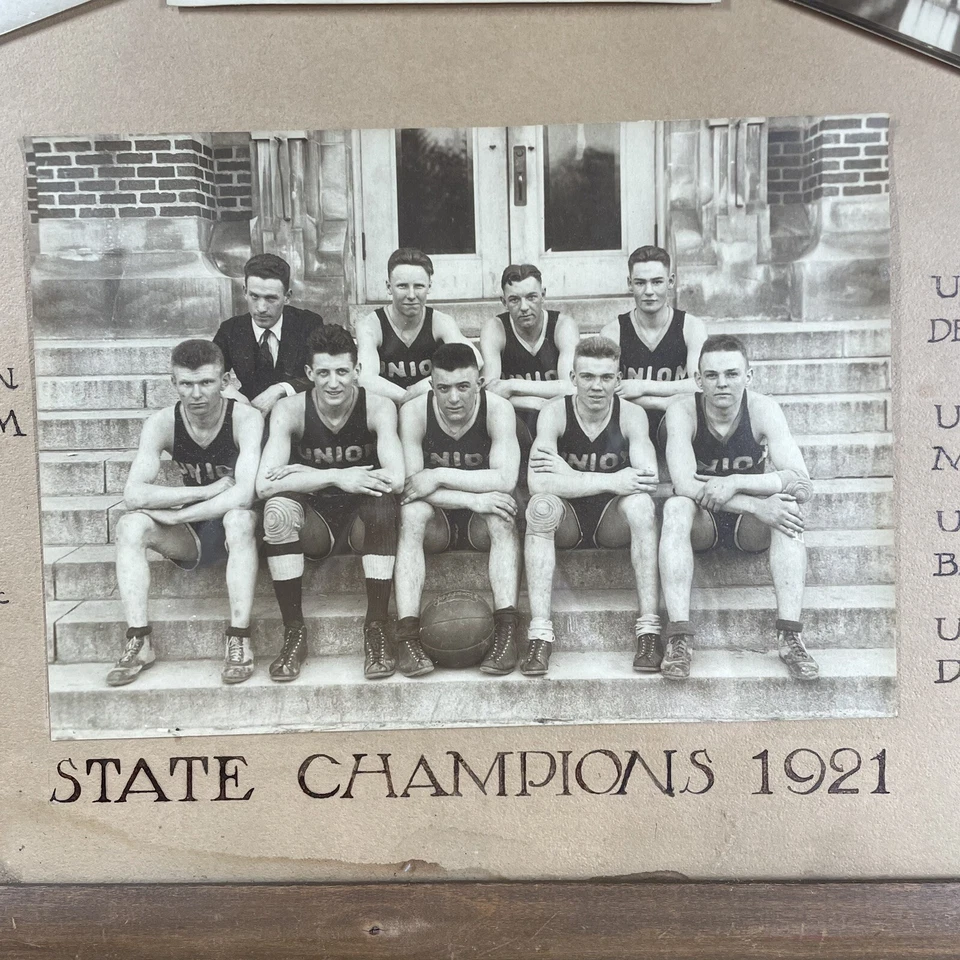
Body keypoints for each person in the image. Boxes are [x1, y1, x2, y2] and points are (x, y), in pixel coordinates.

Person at [658, 334, 817, 681]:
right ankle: (679, 638)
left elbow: (801, 481)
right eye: (712, 375)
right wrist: (756, 505)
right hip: (703, 521)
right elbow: (684, 484)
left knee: (788, 507)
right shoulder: (682, 411)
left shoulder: (763, 409)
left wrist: (735, 482)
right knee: (675, 507)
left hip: (747, 527)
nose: (722, 383)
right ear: (698, 380)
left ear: (749, 375)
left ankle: (790, 636)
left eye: (731, 373)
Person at [111, 340, 263, 686]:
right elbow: (133, 493)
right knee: (130, 526)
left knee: (239, 518)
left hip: (241, 531)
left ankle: (239, 637)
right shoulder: (162, 423)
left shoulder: (245, 418)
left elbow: (243, 494)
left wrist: (178, 515)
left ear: (225, 381)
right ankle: (139, 640)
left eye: (206, 382)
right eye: (186, 384)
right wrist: (203, 492)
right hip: (197, 530)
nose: (196, 394)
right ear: (173, 383)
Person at [256, 324, 404, 681]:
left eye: (341, 372)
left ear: (357, 370)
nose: (333, 383)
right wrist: (336, 476)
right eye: (323, 373)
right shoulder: (290, 410)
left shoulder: (378, 406)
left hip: (361, 525)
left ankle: (376, 628)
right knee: (276, 511)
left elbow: (397, 478)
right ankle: (294, 632)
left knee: (384, 503)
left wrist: (305, 472)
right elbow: (263, 485)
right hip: (315, 523)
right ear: (309, 373)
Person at [523, 336, 660, 677]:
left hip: (611, 520)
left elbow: (647, 480)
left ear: (618, 378)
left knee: (641, 505)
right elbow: (537, 483)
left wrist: (569, 475)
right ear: (573, 378)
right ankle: (539, 634)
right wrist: (612, 480)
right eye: (587, 376)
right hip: (567, 518)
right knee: (540, 507)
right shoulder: (554, 412)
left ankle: (649, 630)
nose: (596, 386)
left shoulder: (632, 415)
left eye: (605, 377)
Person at [394, 343, 522, 677]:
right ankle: (407, 634)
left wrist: (437, 475)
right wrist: (472, 499)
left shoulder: (498, 409)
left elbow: (505, 479)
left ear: (479, 383)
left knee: (501, 513)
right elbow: (411, 487)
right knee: (411, 513)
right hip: (438, 521)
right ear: (431, 385)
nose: (453, 398)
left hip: (479, 523)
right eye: (444, 388)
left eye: (463, 387)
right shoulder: (414, 412)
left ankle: (506, 629)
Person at [600, 245, 707, 449]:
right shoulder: (613, 332)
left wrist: (642, 387)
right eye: (640, 283)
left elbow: (700, 384)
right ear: (630, 284)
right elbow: (605, 393)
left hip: (679, 424)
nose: (649, 291)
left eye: (657, 282)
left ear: (671, 281)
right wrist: (670, 398)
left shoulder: (691, 327)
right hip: (626, 428)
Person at [355, 247, 477, 404]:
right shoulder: (371, 325)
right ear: (388, 287)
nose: (411, 295)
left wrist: (419, 389)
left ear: (429, 287)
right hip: (387, 405)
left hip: (427, 405)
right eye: (403, 286)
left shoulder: (440, 321)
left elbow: (474, 360)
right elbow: (365, 378)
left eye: (419, 286)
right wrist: (407, 398)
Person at [214, 253, 325, 415]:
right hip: (250, 413)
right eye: (254, 296)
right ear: (245, 292)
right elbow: (208, 372)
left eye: (271, 298)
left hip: (299, 414)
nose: (261, 308)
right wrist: (234, 394)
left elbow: (324, 373)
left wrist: (280, 389)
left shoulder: (308, 324)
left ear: (287, 297)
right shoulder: (231, 330)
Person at [480, 263, 580, 443]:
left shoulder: (562, 326)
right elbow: (490, 392)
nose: (524, 307)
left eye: (531, 297)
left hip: (558, 419)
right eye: (514, 300)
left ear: (543, 295)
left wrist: (512, 385)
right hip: (512, 421)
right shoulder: (495, 328)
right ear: (504, 302)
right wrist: (536, 403)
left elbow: (571, 388)